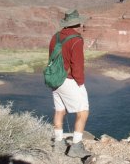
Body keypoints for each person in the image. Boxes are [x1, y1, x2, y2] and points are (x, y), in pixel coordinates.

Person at [49, 9, 91, 158]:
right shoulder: (76, 39)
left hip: (55, 80)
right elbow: (77, 64)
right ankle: (76, 147)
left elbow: (52, 58)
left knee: (59, 110)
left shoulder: (55, 37)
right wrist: (80, 82)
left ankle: (58, 142)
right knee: (83, 112)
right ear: (77, 23)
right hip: (70, 81)